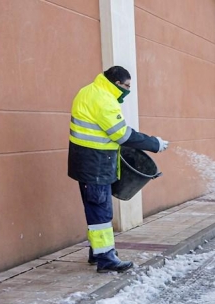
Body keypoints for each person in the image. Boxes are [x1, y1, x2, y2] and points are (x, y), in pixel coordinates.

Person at [68, 66, 169, 273]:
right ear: (117, 84)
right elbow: (121, 135)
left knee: (94, 207)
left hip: (85, 160)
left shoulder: (88, 90)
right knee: (101, 210)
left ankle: (97, 251)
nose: (128, 90)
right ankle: (106, 259)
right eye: (127, 86)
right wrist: (154, 143)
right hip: (96, 163)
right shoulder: (104, 100)